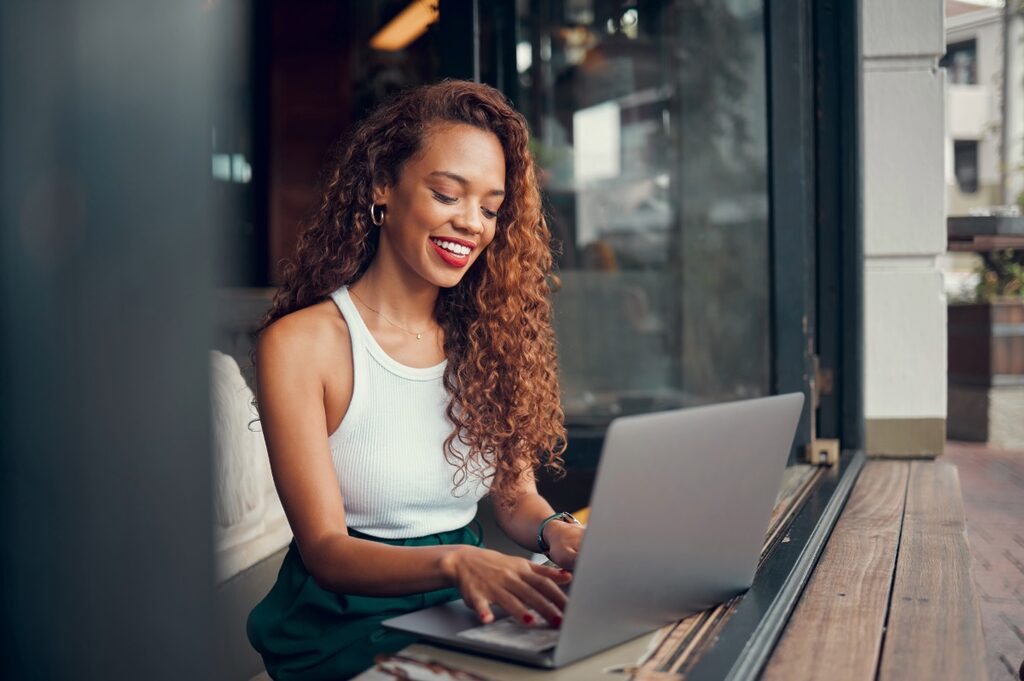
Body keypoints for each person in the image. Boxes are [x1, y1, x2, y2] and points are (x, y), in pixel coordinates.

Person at [245, 80, 585, 680]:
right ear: (383, 186)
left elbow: (514, 500)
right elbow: (326, 552)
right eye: (447, 194)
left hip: (461, 605)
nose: (471, 224)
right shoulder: (301, 345)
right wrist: (458, 563)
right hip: (342, 623)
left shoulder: (489, 338)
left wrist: (555, 533)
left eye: (489, 208)